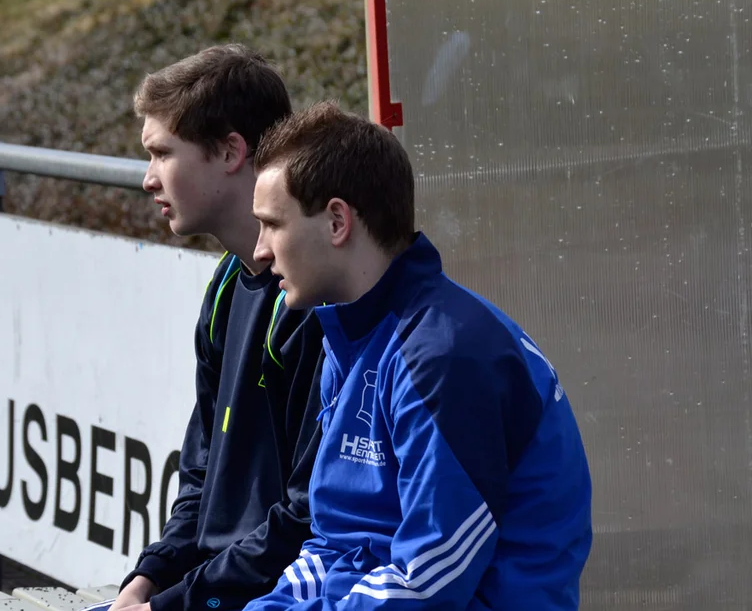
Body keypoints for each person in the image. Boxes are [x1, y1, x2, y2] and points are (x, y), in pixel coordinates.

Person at [243, 102, 593, 610]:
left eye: (272, 224)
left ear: (338, 221)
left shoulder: (443, 356)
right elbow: (334, 541)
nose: (259, 250)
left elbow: (429, 582)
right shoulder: (350, 333)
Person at [108, 45, 325, 611]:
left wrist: (173, 603)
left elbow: (305, 521)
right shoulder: (228, 283)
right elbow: (201, 475)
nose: (148, 178)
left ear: (230, 151)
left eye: (161, 154)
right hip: (207, 589)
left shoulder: (312, 305)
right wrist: (149, 578)